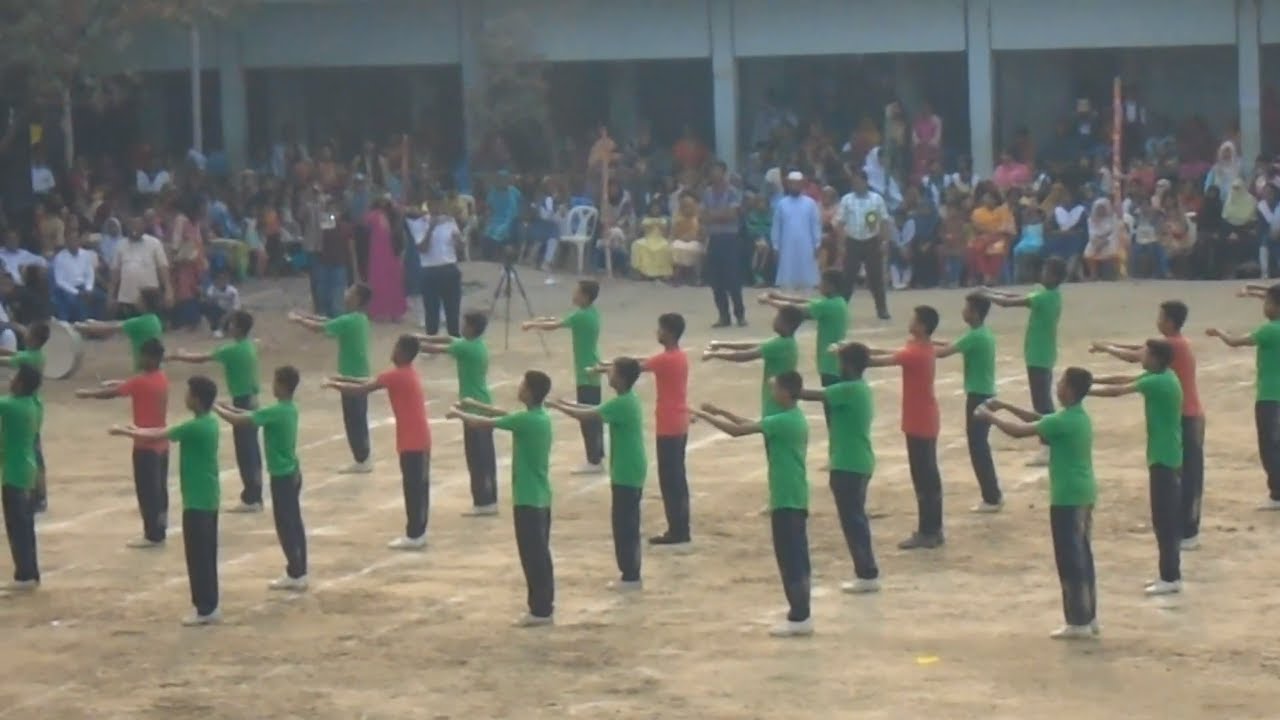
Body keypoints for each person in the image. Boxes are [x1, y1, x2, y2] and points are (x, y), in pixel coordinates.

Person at [975, 367, 1099, 640]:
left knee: (1070, 560)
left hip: (1067, 496)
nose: (1058, 386)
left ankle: (1077, 620)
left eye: (1063, 383)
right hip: (1084, 493)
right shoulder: (1076, 417)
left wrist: (989, 417)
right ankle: (1088, 615)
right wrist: (1004, 405)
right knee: (1083, 556)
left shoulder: (1065, 420)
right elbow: (1040, 419)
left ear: (1071, 390)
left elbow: (1020, 431)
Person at [693, 371, 812, 638]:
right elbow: (751, 424)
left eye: (776, 388)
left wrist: (702, 415)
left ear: (785, 393)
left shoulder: (784, 421)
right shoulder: (790, 419)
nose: (772, 392)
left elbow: (738, 432)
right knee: (797, 558)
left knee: (791, 560)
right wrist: (719, 410)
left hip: (786, 497)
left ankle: (800, 616)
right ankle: (801, 613)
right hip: (794, 495)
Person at [1091, 301, 1205, 550]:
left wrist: (1106, 347)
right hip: (1185, 415)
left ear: (1171, 322)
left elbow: (1135, 357)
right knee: (1186, 474)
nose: (1158, 321)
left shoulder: (1173, 346)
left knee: (1188, 476)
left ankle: (1189, 530)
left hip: (1187, 416)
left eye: (1161, 317)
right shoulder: (1170, 348)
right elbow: (1140, 351)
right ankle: (1186, 529)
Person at [446, 370, 556, 627]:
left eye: (523, 384)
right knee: (539, 555)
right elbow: (504, 416)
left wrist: (459, 413)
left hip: (528, 499)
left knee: (533, 557)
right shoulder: (538, 418)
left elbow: (483, 424)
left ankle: (540, 610)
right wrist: (475, 405)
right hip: (540, 497)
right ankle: (542, 606)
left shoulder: (528, 421)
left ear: (529, 392)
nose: (519, 387)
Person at [110, 376, 222, 626]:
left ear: (198, 399)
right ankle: (209, 605)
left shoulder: (195, 427)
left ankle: (204, 607)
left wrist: (125, 431)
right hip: (208, 496)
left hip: (197, 500)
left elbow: (155, 435)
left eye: (189, 393)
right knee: (207, 555)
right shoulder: (209, 423)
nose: (186, 397)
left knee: (198, 556)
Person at [1088, 339, 1183, 596]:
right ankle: (1170, 574)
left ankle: (1170, 577)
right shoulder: (1163, 376)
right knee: (1166, 520)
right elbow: (1123, 379)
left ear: (1156, 358)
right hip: (1168, 455)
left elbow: (1120, 390)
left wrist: (1087, 390)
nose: (1142, 356)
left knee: (1163, 521)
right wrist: (1093, 381)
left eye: (1146, 353)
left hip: (1163, 458)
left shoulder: (1157, 381)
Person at [846, 305, 944, 549]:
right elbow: (891, 352)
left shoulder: (915, 353)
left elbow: (879, 360)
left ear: (921, 326)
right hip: (923, 419)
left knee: (924, 479)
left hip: (919, 421)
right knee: (927, 477)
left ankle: (928, 531)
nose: (910, 321)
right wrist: (854, 350)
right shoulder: (921, 347)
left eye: (914, 318)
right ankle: (933, 528)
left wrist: (849, 355)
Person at [324, 335, 430, 549]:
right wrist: (341, 379)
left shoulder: (397, 376)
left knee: (413, 489)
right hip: (419, 437)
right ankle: (418, 532)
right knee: (419, 488)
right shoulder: (404, 374)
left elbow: (361, 389)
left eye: (397, 348)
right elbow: (367, 381)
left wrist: (334, 384)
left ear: (405, 353)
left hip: (412, 440)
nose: (393, 351)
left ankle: (415, 534)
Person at [549, 358, 647, 589]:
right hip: (630, 467)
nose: (608, 374)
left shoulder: (622, 404)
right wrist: (567, 402)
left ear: (621, 378)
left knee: (624, 526)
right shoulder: (626, 400)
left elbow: (588, 415)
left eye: (612, 372)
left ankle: (630, 575)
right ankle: (631, 573)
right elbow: (594, 410)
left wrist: (558, 407)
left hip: (626, 470)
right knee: (627, 523)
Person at [214, 365, 308, 592]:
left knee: (286, 525)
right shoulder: (288, 409)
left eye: (275, 382)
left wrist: (216, 408)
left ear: (283, 386)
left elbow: (241, 422)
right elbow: (249, 416)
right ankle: (299, 568)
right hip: (293, 471)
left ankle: (295, 572)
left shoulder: (276, 412)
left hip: (282, 475)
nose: (272, 385)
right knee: (295, 523)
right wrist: (228, 407)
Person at [796, 343, 879, 593]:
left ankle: (866, 573)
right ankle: (866, 571)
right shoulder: (860, 389)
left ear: (850, 366)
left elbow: (812, 395)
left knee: (852, 521)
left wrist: (785, 387)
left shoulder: (848, 389)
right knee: (856, 519)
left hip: (848, 464)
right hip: (859, 461)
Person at [75, 337, 170, 547]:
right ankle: (159, 529)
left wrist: (88, 394)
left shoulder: (141, 382)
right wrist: (116, 383)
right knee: (160, 490)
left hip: (145, 444)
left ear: (151, 357)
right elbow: (129, 384)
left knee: (147, 492)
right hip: (161, 443)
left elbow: (113, 393)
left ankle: (152, 534)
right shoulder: (160, 378)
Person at [170, 310, 264, 513]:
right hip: (251, 399)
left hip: (242, 400)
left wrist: (181, 355)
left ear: (238, 327)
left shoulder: (234, 350)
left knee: (245, 451)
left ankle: (252, 497)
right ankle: (254, 494)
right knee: (252, 450)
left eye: (232, 324)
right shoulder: (249, 346)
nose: (229, 327)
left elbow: (202, 358)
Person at [979, 256, 1066, 467]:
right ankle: (1050, 443)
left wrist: (986, 294)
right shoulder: (1051, 295)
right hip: (1042, 353)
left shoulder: (1045, 297)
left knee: (1042, 403)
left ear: (1053, 276)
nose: (1042, 273)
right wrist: (990, 292)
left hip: (1039, 355)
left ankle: (1048, 445)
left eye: (1046, 270)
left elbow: (1009, 302)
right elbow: (1013, 296)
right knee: (1043, 400)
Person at [1206, 283, 1280, 509]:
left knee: (1270, 447)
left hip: (1270, 396)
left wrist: (1218, 331)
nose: (1264, 306)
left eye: (1267, 303)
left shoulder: (1268, 330)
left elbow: (1235, 342)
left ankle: (1276, 494)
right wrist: (1255, 294)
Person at [417, 311, 498, 515]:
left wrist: (414, 344)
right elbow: (447, 339)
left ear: (470, 328)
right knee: (486, 456)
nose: (461, 327)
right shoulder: (476, 344)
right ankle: (489, 498)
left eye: (464, 324)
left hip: (473, 407)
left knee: (477, 457)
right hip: (482, 404)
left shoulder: (465, 347)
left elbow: (438, 348)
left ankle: (483, 502)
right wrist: (421, 337)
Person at [289, 284, 373, 473]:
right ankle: (363, 457)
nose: (345, 295)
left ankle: (362, 458)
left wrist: (298, 320)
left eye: (350, 292)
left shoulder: (349, 320)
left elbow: (321, 327)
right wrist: (305, 317)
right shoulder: (358, 319)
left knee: (354, 419)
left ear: (358, 299)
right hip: (359, 374)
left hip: (351, 376)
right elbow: (327, 321)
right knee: (357, 417)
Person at [522, 280, 603, 475]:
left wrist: (533, 324)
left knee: (587, 418)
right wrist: (538, 321)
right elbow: (557, 320)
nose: (573, 294)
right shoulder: (590, 313)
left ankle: (594, 460)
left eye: (577, 291)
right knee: (592, 417)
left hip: (586, 374)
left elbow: (555, 325)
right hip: (590, 371)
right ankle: (597, 456)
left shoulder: (582, 316)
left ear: (585, 296)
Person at [934, 293, 1002, 511]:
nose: (963, 311)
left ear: (974, 312)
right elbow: (954, 344)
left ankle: (991, 497)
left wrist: (921, 346)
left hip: (978, 396)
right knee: (980, 446)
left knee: (978, 447)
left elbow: (944, 352)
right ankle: (992, 494)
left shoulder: (975, 337)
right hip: (985, 393)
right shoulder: (980, 334)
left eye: (966, 308)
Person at [759, 269, 849, 419]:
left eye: (823, 282)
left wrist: (768, 301)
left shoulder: (829, 306)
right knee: (834, 407)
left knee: (832, 409)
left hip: (830, 365)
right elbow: (806, 302)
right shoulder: (837, 303)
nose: (819, 285)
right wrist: (779, 296)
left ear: (831, 286)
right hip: (833, 364)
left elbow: (796, 311)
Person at [703, 306, 802, 419]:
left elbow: (745, 356)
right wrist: (721, 344)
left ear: (786, 324)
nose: (774, 320)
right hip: (779, 395)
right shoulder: (785, 342)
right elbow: (752, 345)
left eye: (778, 318)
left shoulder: (779, 345)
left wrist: (714, 354)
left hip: (775, 399)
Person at [0, 365, 43, 597]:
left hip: (14, 473)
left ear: (22, 384)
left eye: (14, 377)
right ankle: (30, 572)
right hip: (28, 470)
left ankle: (25, 574)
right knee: (25, 527)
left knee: (17, 527)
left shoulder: (11, 405)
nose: (10, 379)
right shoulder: (34, 404)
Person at [835, 169, 891, 320]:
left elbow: (884, 221)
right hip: (853, 241)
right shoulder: (847, 199)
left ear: (866, 182)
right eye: (854, 183)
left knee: (876, 278)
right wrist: (841, 244)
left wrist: (884, 241)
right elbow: (840, 223)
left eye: (859, 182)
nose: (856, 185)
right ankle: (841, 309)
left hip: (871, 241)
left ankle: (882, 309)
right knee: (847, 278)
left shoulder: (876, 199)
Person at [75, 286, 164, 371]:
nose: (136, 301)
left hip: (144, 369)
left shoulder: (139, 322)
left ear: (145, 303)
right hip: (154, 367)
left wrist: (81, 326)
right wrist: (92, 323)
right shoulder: (154, 320)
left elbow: (107, 329)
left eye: (139, 299)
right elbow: (113, 325)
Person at [702, 161, 746, 327]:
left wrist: (713, 216)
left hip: (730, 238)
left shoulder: (733, 192)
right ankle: (723, 315)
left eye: (718, 171)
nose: (715, 174)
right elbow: (703, 216)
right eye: (712, 171)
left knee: (733, 279)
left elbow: (732, 215)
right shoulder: (707, 192)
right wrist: (719, 215)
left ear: (724, 172)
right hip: (714, 239)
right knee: (716, 280)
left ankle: (740, 314)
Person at [416, 196, 463, 338]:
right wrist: (431, 228)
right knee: (431, 310)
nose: (437, 208)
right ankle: (431, 342)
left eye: (439, 204)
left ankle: (454, 341)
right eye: (433, 205)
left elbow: (459, 248)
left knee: (453, 309)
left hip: (449, 268)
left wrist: (459, 241)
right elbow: (422, 248)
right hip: (430, 271)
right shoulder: (420, 223)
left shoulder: (450, 222)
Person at [109, 218, 171, 317]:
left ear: (144, 227)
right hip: (126, 298)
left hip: (149, 299)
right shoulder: (120, 245)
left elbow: (162, 267)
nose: (135, 229)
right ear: (127, 228)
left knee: (151, 328)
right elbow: (115, 271)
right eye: (132, 226)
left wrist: (168, 290)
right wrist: (111, 295)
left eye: (138, 226)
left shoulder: (154, 243)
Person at [770, 171, 822, 290]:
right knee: (787, 284)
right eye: (792, 184)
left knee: (807, 283)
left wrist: (817, 244)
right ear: (788, 184)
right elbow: (776, 227)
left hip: (807, 247)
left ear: (802, 184)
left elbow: (815, 225)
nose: (795, 186)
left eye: (797, 184)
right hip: (786, 248)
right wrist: (775, 246)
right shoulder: (781, 204)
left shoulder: (810, 203)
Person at [51, 229, 103, 322]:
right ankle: (83, 326)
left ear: (79, 241)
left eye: (75, 239)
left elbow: (89, 274)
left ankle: (98, 325)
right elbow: (60, 281)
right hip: (68, 289)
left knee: (101, 297)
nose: (74, 242)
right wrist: (77, 292)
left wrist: (88, 289)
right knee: (78, 301)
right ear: (66, 242)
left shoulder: (85, 254)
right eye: (71, 240)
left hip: (84, 287)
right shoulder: (60, 258)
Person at [631, 198, 673, 281]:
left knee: (666, 246)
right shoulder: (644, 218)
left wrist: (662, 227)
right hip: (647, 238)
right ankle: (642, 272)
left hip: (660, 239)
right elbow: (639, 231)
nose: (655, 210)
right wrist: (645, 227)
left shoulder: (665, 219)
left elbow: (667, 233)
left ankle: (662, 273)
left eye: (657, 208)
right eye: (653, 208)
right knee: (637, 244)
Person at [203, 269, 240, 338]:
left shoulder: (232, 290)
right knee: (207, 306)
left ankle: (222, 329)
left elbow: (234, 304)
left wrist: (226, 316)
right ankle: (215, 328)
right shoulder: (212, 288)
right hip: (219, 310)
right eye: (219, 279)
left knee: (228, 316)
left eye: (224, 279)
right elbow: (208, 301)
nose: (221, 281)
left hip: (232, 311)